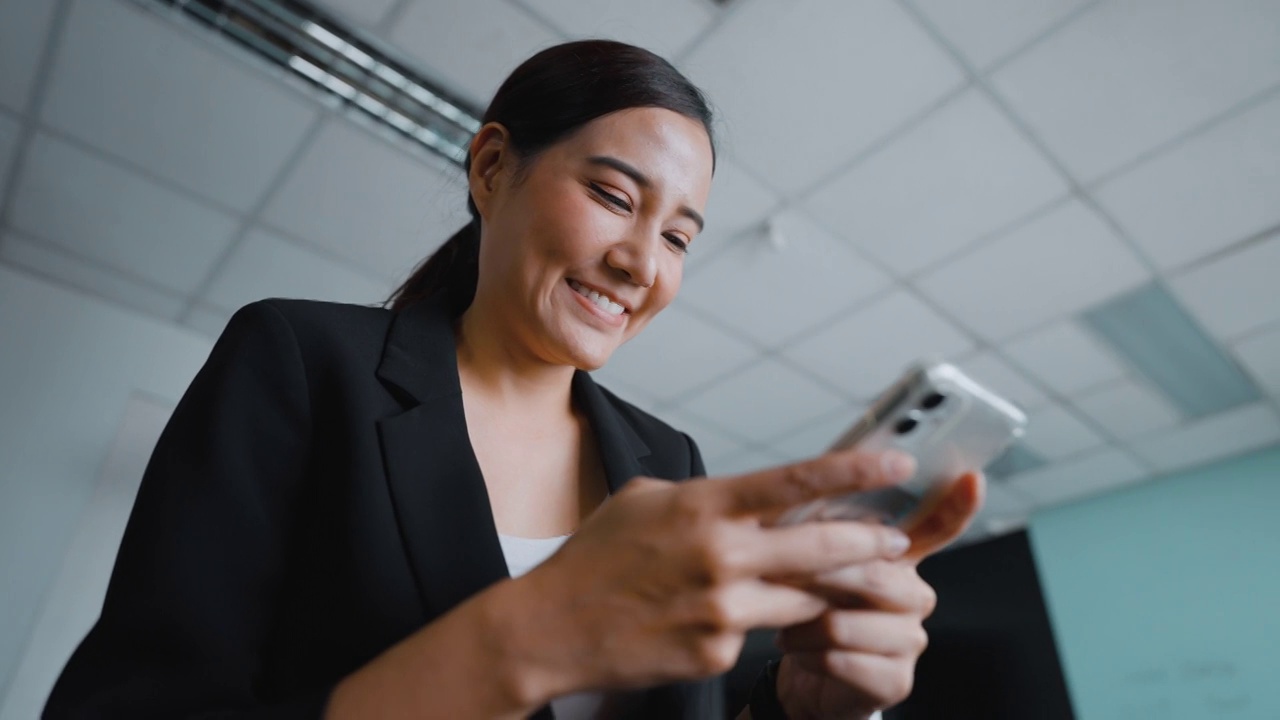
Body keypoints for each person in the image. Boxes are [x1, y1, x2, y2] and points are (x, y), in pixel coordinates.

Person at [43, 40, 982, 720]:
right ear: (492, 168)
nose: (640, 262)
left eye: (679, 237)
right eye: (615, 197)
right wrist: (520, 641)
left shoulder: (666, 460)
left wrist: (799, 706)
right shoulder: (300, 362)